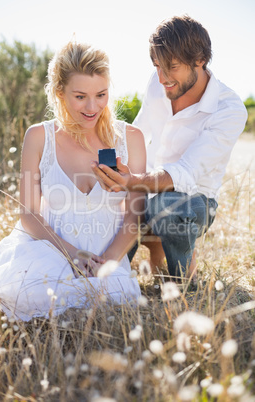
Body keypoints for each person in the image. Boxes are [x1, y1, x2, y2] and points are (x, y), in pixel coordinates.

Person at [0, 41, 146, 321]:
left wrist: (108, 261)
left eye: (101, 94)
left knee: (117, 296)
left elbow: (134, 213)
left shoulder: (131, 139)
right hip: (50, 248)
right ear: (60, 93)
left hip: (105, 255)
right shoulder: (39, 137)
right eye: (80, 96)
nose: (92, 106)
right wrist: (72, 254)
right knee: (31, 292)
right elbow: (29, 214)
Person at [92, 15, 248, 281]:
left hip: (193, 200)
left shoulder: (229, 109)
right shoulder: (159, 81)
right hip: (145, 187)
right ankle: (126, 269)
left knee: (168, 207)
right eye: (157, 66)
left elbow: (185, 173)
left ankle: (183, 280)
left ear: (200, 60)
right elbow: (138, 133)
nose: (162, 78)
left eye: (172, 67)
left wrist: (133, 182)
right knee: (108, 267)